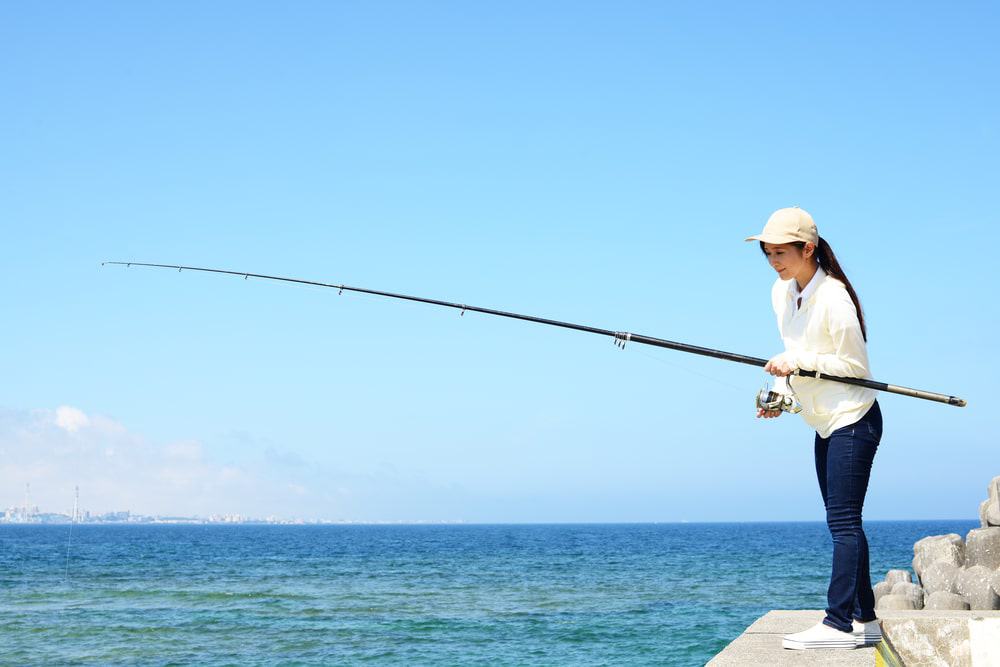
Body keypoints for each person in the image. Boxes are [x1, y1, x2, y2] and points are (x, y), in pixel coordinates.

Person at [745, 207, 884, 651]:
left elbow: (854, 368)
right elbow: (795, 352)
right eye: (767, 253)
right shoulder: (781, 293)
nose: (774, 261)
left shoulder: (835, 296)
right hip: (823, 422)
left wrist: (797, 364)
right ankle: (865, 618)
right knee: (841, 521)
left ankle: (838, 624)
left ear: (808, 248)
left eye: (781, 252)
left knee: (843, 521)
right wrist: (780, 391)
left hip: (853, 418)